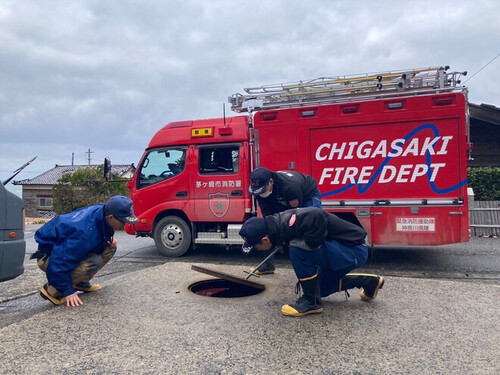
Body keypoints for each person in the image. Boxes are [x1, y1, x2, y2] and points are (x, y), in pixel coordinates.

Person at [239, 207, 384, 317]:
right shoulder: (278, 227)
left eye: (256, 247)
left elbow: (316, 214)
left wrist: (314, 244)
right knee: (321, 289)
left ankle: (311, 302)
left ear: (265, 239)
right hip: (345, 250)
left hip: (355, 250)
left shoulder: (287, 224)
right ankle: (369, 282)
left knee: (298, 249)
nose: (258, 250)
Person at [32, 195, 138, 307]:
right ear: (111, 217)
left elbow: (97, 236)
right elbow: (58, 262)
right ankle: (53, 290)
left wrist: (107, 239)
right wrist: (68, 291)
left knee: (109, 248)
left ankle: (79, 282)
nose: (125, 224)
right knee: (94, 261)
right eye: (123, 221)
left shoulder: (102, 210)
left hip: (62, 250)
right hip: (49, 258)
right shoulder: (84, 234)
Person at [247, 167, 322, 275]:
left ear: (271, 182)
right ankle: (267, 266)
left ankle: (318, 268)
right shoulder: (259, 191)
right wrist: (274, 233)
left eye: (262, 190)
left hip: (307, 195)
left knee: (311, 226)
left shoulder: (290, 187)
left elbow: (297, 215)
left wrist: (286, 236)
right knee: (267, 227)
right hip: (281, 197)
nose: (260, 193)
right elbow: (269, 217)